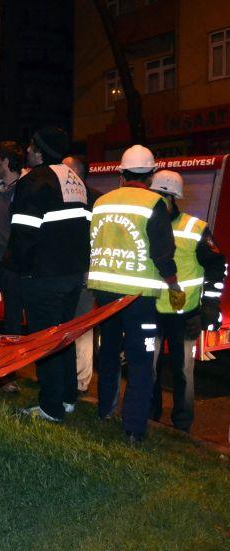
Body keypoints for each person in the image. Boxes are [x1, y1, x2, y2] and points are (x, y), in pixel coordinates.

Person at [88, 145, 183, 444]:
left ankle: (105, 411)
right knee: (141, 361)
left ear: (121, 172)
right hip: (139, 298)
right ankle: (133, 429)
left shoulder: (102, 202)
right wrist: (174, 284)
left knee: (108, 356)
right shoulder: (155, 203)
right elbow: (163, 253)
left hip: (104, 294)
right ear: (152, 174)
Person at [7, 127, 91, 422]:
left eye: (31, 145)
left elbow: (23, 234)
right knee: (64, 337)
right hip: (71, 274)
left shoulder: (34, 181)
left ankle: (50, 407)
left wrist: (19, 269)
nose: (27, 150)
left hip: (43, 275)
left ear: (40, 150)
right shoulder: (75, 180)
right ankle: (67, 397)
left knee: (46, 341)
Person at [149, 170, 226, 432]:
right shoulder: (145, 223)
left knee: (183, 373)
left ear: (172, 198)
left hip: (184, 314)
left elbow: (217, 265)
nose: (155, 202)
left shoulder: (195, 228)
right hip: (150, 311)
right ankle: (151, 418)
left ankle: (182, 427)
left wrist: (210, 305)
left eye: (160, 197)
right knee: (149, 370)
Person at [62, 155, 99, 394]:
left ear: (75, 172)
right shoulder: (94, 198)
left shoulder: (90, 199)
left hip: (83, 270)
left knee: (81, 326)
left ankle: (80, 381)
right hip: (70, 269)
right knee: (74, 325)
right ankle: (73, 379)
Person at [0, 140, 25, 335]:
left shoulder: (23, 190)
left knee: (12, 322)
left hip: (12, 265)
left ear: (5, 161)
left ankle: (12, 365)